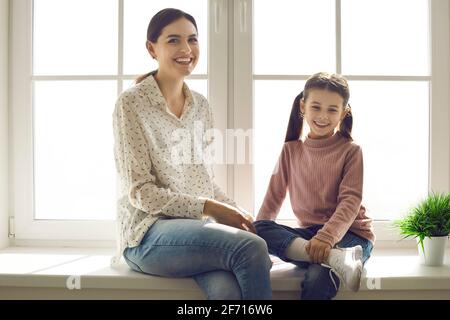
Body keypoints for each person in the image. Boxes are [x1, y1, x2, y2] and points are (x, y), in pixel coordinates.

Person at [111, 8, 272, 300]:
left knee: (228, 291)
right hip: (147, 235)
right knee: (251, 247)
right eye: (173, 40)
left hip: (194, 233)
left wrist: (237, 212)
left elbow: (203, 181)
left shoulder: (201, 106)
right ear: (152, 48)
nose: (186, 49)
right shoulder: (131, 104)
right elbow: (142, 194)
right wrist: (213, 208)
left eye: (193, 40)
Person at [253, 72, 375, 300]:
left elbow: (350, 202)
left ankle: (336, 256)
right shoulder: (291, 150)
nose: (322, 116)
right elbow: (272, 199)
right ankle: (334, 257)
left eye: (332, 110)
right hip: (312, 235)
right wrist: (259, 245)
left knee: (318, 277)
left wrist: (326, 238)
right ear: (303, 106)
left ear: (344, 112)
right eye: (316, 107)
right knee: (258, 229)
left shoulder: (351, 151)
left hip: (351, 236)